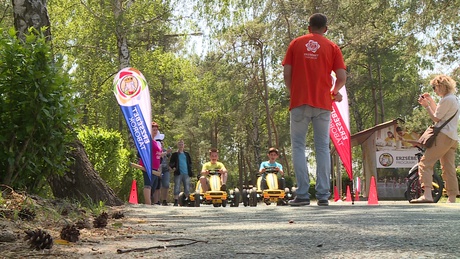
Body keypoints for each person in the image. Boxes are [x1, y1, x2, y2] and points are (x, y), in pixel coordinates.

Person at [282, 13, 346, 206]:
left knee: (299, 147)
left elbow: (287, 73)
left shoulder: (296, 44)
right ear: (325, 29)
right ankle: (323, 195)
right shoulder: (332, 47)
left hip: (299, 102)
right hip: (323, 103)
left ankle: (302, 195)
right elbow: (342, 76)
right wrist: (334, 92)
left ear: (309, 27)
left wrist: (294, 91)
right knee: (322, 148)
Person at [411, 75, 459, 203]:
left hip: (443, 137)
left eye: (435, 87)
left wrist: (427, 106)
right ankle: (452, 197)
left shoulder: (446, 100)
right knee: (448, 168)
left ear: (441, 86)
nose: (434, 90)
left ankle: (427, 194)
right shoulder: (453, 98)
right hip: (452, 138)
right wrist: (430, 101)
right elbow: (440, 113)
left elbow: (436, 118)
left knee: (425, 163)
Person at [139, 122, 162, 205]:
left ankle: (150, 201)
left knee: (154, 185)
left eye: (156, 130)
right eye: (153, 130)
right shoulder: (148, 141)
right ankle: (147, 202)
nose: (155, 131)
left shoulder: (155, 142)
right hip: (148, 166)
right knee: (148, 184)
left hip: (156, 167)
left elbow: (158, 155)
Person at [169, 140, 193, 206]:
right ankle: (176, 200)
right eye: (179, 144)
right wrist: (173, 167)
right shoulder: (175, 154)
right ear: (178, 145)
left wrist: (190, 170)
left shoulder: (187, 154)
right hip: (178, 173)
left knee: (187, 187)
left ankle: (187, 200)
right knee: (177, 186)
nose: (181, 145)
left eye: (182, 144)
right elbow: (171, 163)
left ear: (184, 145)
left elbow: (190, 163)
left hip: (186, 173)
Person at [156, 132, 173, 206]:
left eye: (162, 142)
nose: (161, 143)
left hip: (166, 170)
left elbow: (171, 158)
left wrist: (171, 166)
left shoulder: (165, 150)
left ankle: (164, 200)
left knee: (165, 185)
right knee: (157, 186)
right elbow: (158, 156)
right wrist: (166, 152)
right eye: (160, 142)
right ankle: (157, 200)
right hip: (157, 170)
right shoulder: (156, 150)